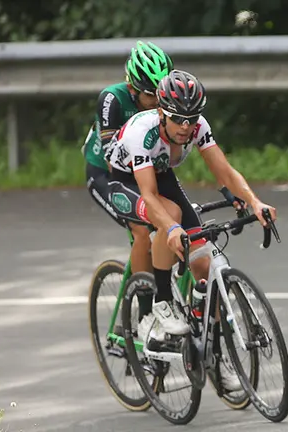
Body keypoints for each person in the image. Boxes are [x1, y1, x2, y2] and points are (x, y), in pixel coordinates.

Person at [104, 69, 277, 391]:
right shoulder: (143, 133)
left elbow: (223, 170)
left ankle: (212, 356)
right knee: (167, 217)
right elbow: (150, 195)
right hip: (124, 179)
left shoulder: (197, 127)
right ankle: (162, 303)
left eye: (192, 119)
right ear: (160, 113)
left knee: (202, 262)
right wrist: (170, 228)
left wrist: (254, 202)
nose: (186, 127)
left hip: (162, 170)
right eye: (177, 119)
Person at [83, 40, 173, 318]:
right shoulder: (112, 99)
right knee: (143, 232)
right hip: (106, 174)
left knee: (173, 221)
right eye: (150, 96)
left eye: (162, 95)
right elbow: (113, 159)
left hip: (142, 169)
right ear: (132, 87)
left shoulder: (159, 102)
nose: (158, 104)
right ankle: (146, 314)